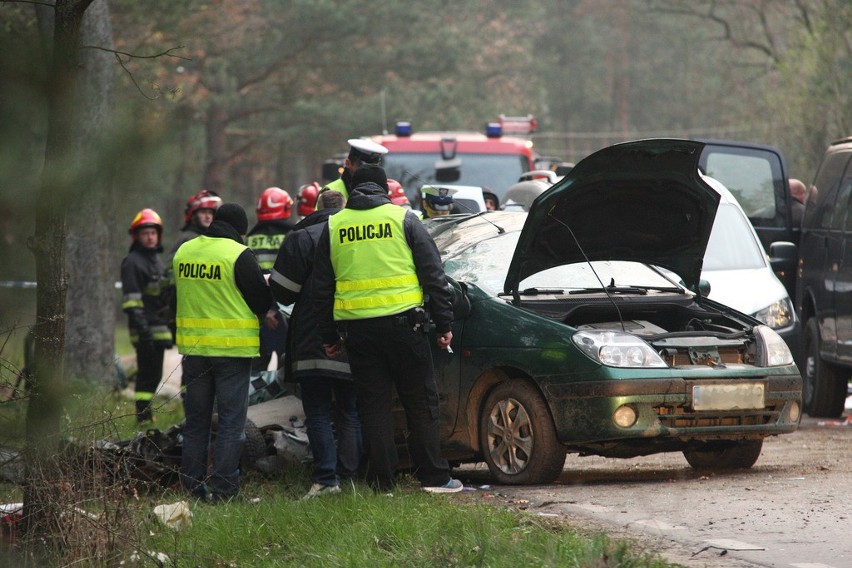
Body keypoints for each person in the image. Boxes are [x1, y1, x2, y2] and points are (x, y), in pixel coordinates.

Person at [312, 164, 462, 493]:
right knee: (420, 402)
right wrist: (444, 323)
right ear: (385, 190)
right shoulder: (403, 219)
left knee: (373, 406)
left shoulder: (335, 225)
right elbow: (433, 275)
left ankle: (383, 483)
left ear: (352, 190)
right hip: (405, 328)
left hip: (359, 333)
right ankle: (434, 477)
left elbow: (321, 287)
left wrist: (328, 336)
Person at [173, 202, 272, 503]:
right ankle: (224, 490)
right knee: (231, 423)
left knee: (196, 422)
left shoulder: (184, 252)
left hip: (194, 350)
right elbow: (261, 301)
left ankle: (192, 488)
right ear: (240, 231)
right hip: (231, 351)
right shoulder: (238, 254)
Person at [269, 189, 362, 499]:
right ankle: (350, 478)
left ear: (318, 208)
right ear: (344, 208)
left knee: (319, 411)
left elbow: (282, 291)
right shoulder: (356, 236)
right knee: (350, 410)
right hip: (353, 333)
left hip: (311, 337)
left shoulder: (302, 237)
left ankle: (326, 479)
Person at [120, 209, 174, 423]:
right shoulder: (133, 262)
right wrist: (144, 332)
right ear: (136, 236)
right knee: (146, 378)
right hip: (146, 331)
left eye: (153, 233)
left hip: (158, 330)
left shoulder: (156, 261)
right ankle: (142, 418)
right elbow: (132, 303)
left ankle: (146, 415)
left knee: (154, 377)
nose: (150, 237)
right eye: (145, 233)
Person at [246, 186, 296, 372]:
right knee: (287, 364)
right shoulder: (292, 235)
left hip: (259, 314)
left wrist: (265, 311)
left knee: (256, 368)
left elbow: (248, 279)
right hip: (286, 313)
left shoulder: (249, 239)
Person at [319, 139, 388, 203]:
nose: (368, 171)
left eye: (374, 167)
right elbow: (323, 216)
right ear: (348, 163)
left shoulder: (388, 190)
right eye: (362, 167)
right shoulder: (329, 193)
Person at [167, 189, 223, 263]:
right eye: (203, 212)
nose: (208, 216)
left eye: (210, 212)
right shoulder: (188, 238)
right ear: (193, 215)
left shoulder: (209, 238)